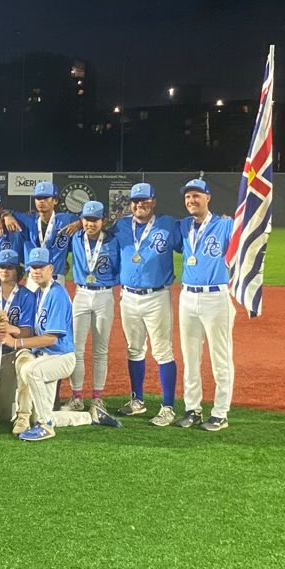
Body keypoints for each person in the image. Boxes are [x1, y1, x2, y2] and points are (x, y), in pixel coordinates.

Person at [0, 247, 122, 440]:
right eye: (33, 267)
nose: (36, 271)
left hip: (61, 357)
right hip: (46, 357)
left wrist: (15, 342)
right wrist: (10, 327)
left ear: (51, 268)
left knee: (30, 370)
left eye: (41, 267)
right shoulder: (38, 293)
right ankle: (91, 416)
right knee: (40, 412)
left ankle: (46, 427)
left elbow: (51, 338)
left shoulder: (57, 294)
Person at [112, 182, 181, 426]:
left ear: (153, 201)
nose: (139, 205)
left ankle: (168, 407)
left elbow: (195, 237)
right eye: (135, 201)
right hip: (128, 296)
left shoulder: (169, 224)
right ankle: (137, 401)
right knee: (134, 349)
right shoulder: (121, 225)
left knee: (163, 351)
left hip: (157, 296)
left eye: (144, 201)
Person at [175, 179, 235, 431]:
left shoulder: (226, 225)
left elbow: (255, 232)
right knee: (190, 358)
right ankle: (193, 409)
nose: (191, 200)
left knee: (220, 357)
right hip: (188, 296)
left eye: (196, 196)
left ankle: (220, 413)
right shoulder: (183, 226)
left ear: (208, 197)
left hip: (216, 297)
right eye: (188, 197)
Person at [61, 200, 121, 412]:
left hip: (105, 296)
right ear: (81, 220)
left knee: (100, 350)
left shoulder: (113, 241)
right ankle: (76, 396)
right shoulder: (76, 237)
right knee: (76, 348)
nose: (90, 224)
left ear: (103, 221)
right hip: (82, 294)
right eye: (87, 219)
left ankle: (97, 398)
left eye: (95, 220)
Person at [0, 249, 35, 422]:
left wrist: (9, 328)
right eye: (1, 267)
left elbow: (27, 332)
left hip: (10, 353)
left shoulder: (27, 296)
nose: (5, 270)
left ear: (17, 271)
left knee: (4, 415)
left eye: (9, 267)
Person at [3, 181, 77, 291]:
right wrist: (6, 215)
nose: (41, 201)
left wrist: (78, 223)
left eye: (46, 198)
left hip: (55, 278)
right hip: (34, 279)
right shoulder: (27, 220)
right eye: (38, 198)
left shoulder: (66, 219)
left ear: (55, 200)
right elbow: (0, 211)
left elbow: (86, 219)